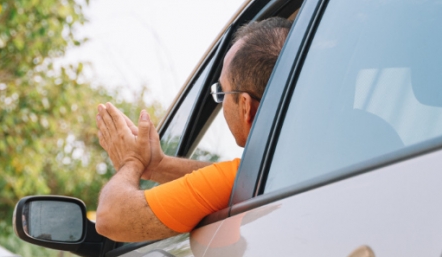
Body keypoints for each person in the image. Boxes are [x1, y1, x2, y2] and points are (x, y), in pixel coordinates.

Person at [92, 17, 292, 241]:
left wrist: (131, 162)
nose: (221, 102)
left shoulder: (251, 179)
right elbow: (215, 181)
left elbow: (110, 217)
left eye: (223, 92)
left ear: (246, 108)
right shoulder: (292, 168)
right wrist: (157, 166)